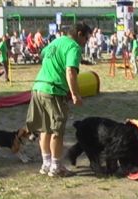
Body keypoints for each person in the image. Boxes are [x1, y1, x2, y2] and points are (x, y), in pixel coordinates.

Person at [26, 22, 92, 177]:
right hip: (53, 91)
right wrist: (75, 94)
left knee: (45, 128)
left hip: (38, 87)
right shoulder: (74, 47)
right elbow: (70, 71)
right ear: (80, 34)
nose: (86, 42)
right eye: (86, 38)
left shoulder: (56, 41)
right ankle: (56, 167)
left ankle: (46, 164)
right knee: (57, 130)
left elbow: (42, 54)